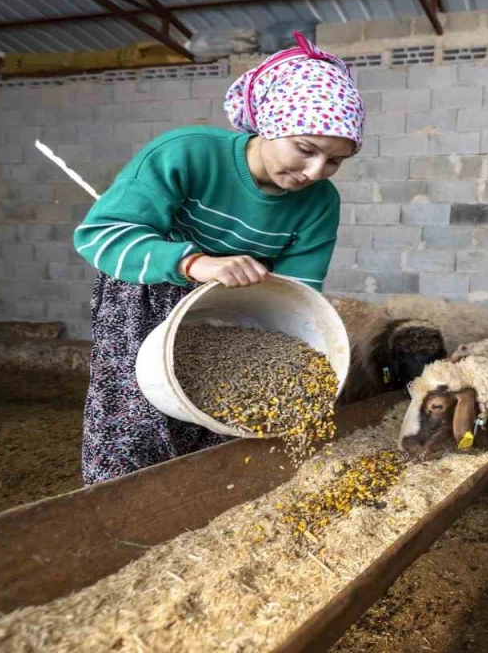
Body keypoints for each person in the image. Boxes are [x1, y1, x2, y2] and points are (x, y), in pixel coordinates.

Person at [71, 33, 365, 485]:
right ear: (270, 122)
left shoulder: (319, 203)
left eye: (334, 162)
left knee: (227, 417)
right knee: (136, 416)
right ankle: (118, 506)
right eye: (305, 149)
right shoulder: (187, 153)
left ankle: (202, 503)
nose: (314, 173)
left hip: (238, 315)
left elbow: (297, 296)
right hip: (145, 295)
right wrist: (194, 263)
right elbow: (100, 236)